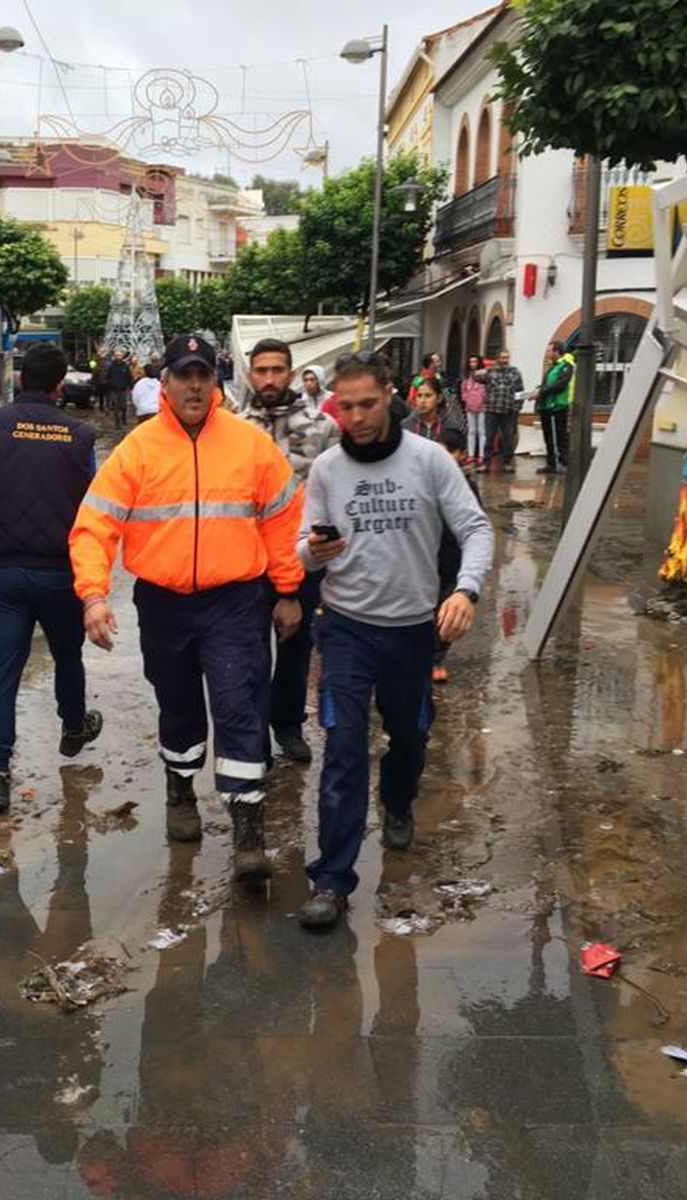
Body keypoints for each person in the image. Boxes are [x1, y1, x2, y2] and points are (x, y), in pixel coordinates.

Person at [70, 334, 306, 882]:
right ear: (166, 383)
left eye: (203, 375)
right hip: (164, 603)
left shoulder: (250, 445)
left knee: (239, 704)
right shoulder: (138, 449)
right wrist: (94, 595)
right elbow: (95, 525)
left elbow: (282, 520)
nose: (195, 386)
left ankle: (248, 831)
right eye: (184, 375)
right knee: (177, 706)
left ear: (215, 382)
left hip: (235, 601)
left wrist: (288, 590)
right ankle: (180, 790)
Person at [294, 351, 493, 929]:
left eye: (367, 404)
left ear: (389, 396)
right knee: (344, 746)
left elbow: (475, 528)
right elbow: (302, 551)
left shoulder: (429, 461)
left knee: (408, 736)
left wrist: (466, 591)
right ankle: (332, 879)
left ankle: (399, 802)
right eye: (346, 407)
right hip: (346, 628)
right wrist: (315, 551)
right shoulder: (327, 469)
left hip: (411, 631)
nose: (356, 418)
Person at [0, 344, 104, 813]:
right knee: (67, 658)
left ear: (21, 380)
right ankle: (73, 727)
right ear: (60, 386)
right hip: (60, 573)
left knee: (2, 672)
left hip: (5, 574)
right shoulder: (80, 436)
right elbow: (93, 507)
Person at [237, 337, 340, 765]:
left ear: (292, 374)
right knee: (250, 653)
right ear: (250, 375)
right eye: (261, 371)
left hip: (304, 559)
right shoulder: (235, 429)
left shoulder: (322, 427)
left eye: (277, 370)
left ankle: (288, 725)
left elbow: (336, 491)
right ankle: (254, 735)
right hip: (248, 562)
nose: (269, 379)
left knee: (297, 648)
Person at [431, 425, 483, 684]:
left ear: (462, 454)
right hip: (430, 558)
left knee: (446, 609)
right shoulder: (427, 483)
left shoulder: (467, 487)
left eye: (451, 451)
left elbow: (476, 527)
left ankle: (436, 658)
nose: (446, 458)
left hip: (454, 559)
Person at [479, 348, 525, 473]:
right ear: (498, 358)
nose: (505, 360)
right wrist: (485, 369)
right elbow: (475, 377)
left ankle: (507, 463)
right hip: (492, 409)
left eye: (507, 357)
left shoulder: (515, 372)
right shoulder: (490, 372)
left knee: (508, 438)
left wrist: (517, 407)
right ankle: (486, 463)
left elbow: (520, 390)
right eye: (503, 357)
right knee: (489, 437)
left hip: (508, 410)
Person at [537, 341, 575, 474]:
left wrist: (542, 391)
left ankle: (562, 463)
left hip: (558, 406)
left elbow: (561, 384)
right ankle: (551, 463)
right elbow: (547, 384)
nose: (547, 353)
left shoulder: (566, 366)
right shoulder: (553, 367)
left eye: (549, 351)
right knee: (548, 436)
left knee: (559, 436)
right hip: (546, 406)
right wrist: (537, 392)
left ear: (557, 352)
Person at [460, 354, 488, 468]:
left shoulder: (484, 374)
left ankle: (481, 455)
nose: (473, 364)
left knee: (481, 431)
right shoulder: (467, 377)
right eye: (471, 362)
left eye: (475, 361)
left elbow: (488, 389)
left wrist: (483, 398)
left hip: (482, 406)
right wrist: (466, 399)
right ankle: (471, 454)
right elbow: (463, 390)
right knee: (471, 431)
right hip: (470, 406)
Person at [404, 375, 440, 441]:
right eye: (419, 396)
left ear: (439, 398)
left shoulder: (449, 427)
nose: (422, 401)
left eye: (428, 396)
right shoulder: (405, 427)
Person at [104, 350, 133, 429]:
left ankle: (124, 419)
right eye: (117, 355)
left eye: (119, 355)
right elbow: (107, 377)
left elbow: (129, 377)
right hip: (114, 389)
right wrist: (111, 383)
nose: (118, 357)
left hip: (123, 389)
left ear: (122, 356)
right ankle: (117, 423)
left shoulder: (125, 366)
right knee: (116, 406)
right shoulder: (111, 366)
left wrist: (128, 385)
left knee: (123, 406)